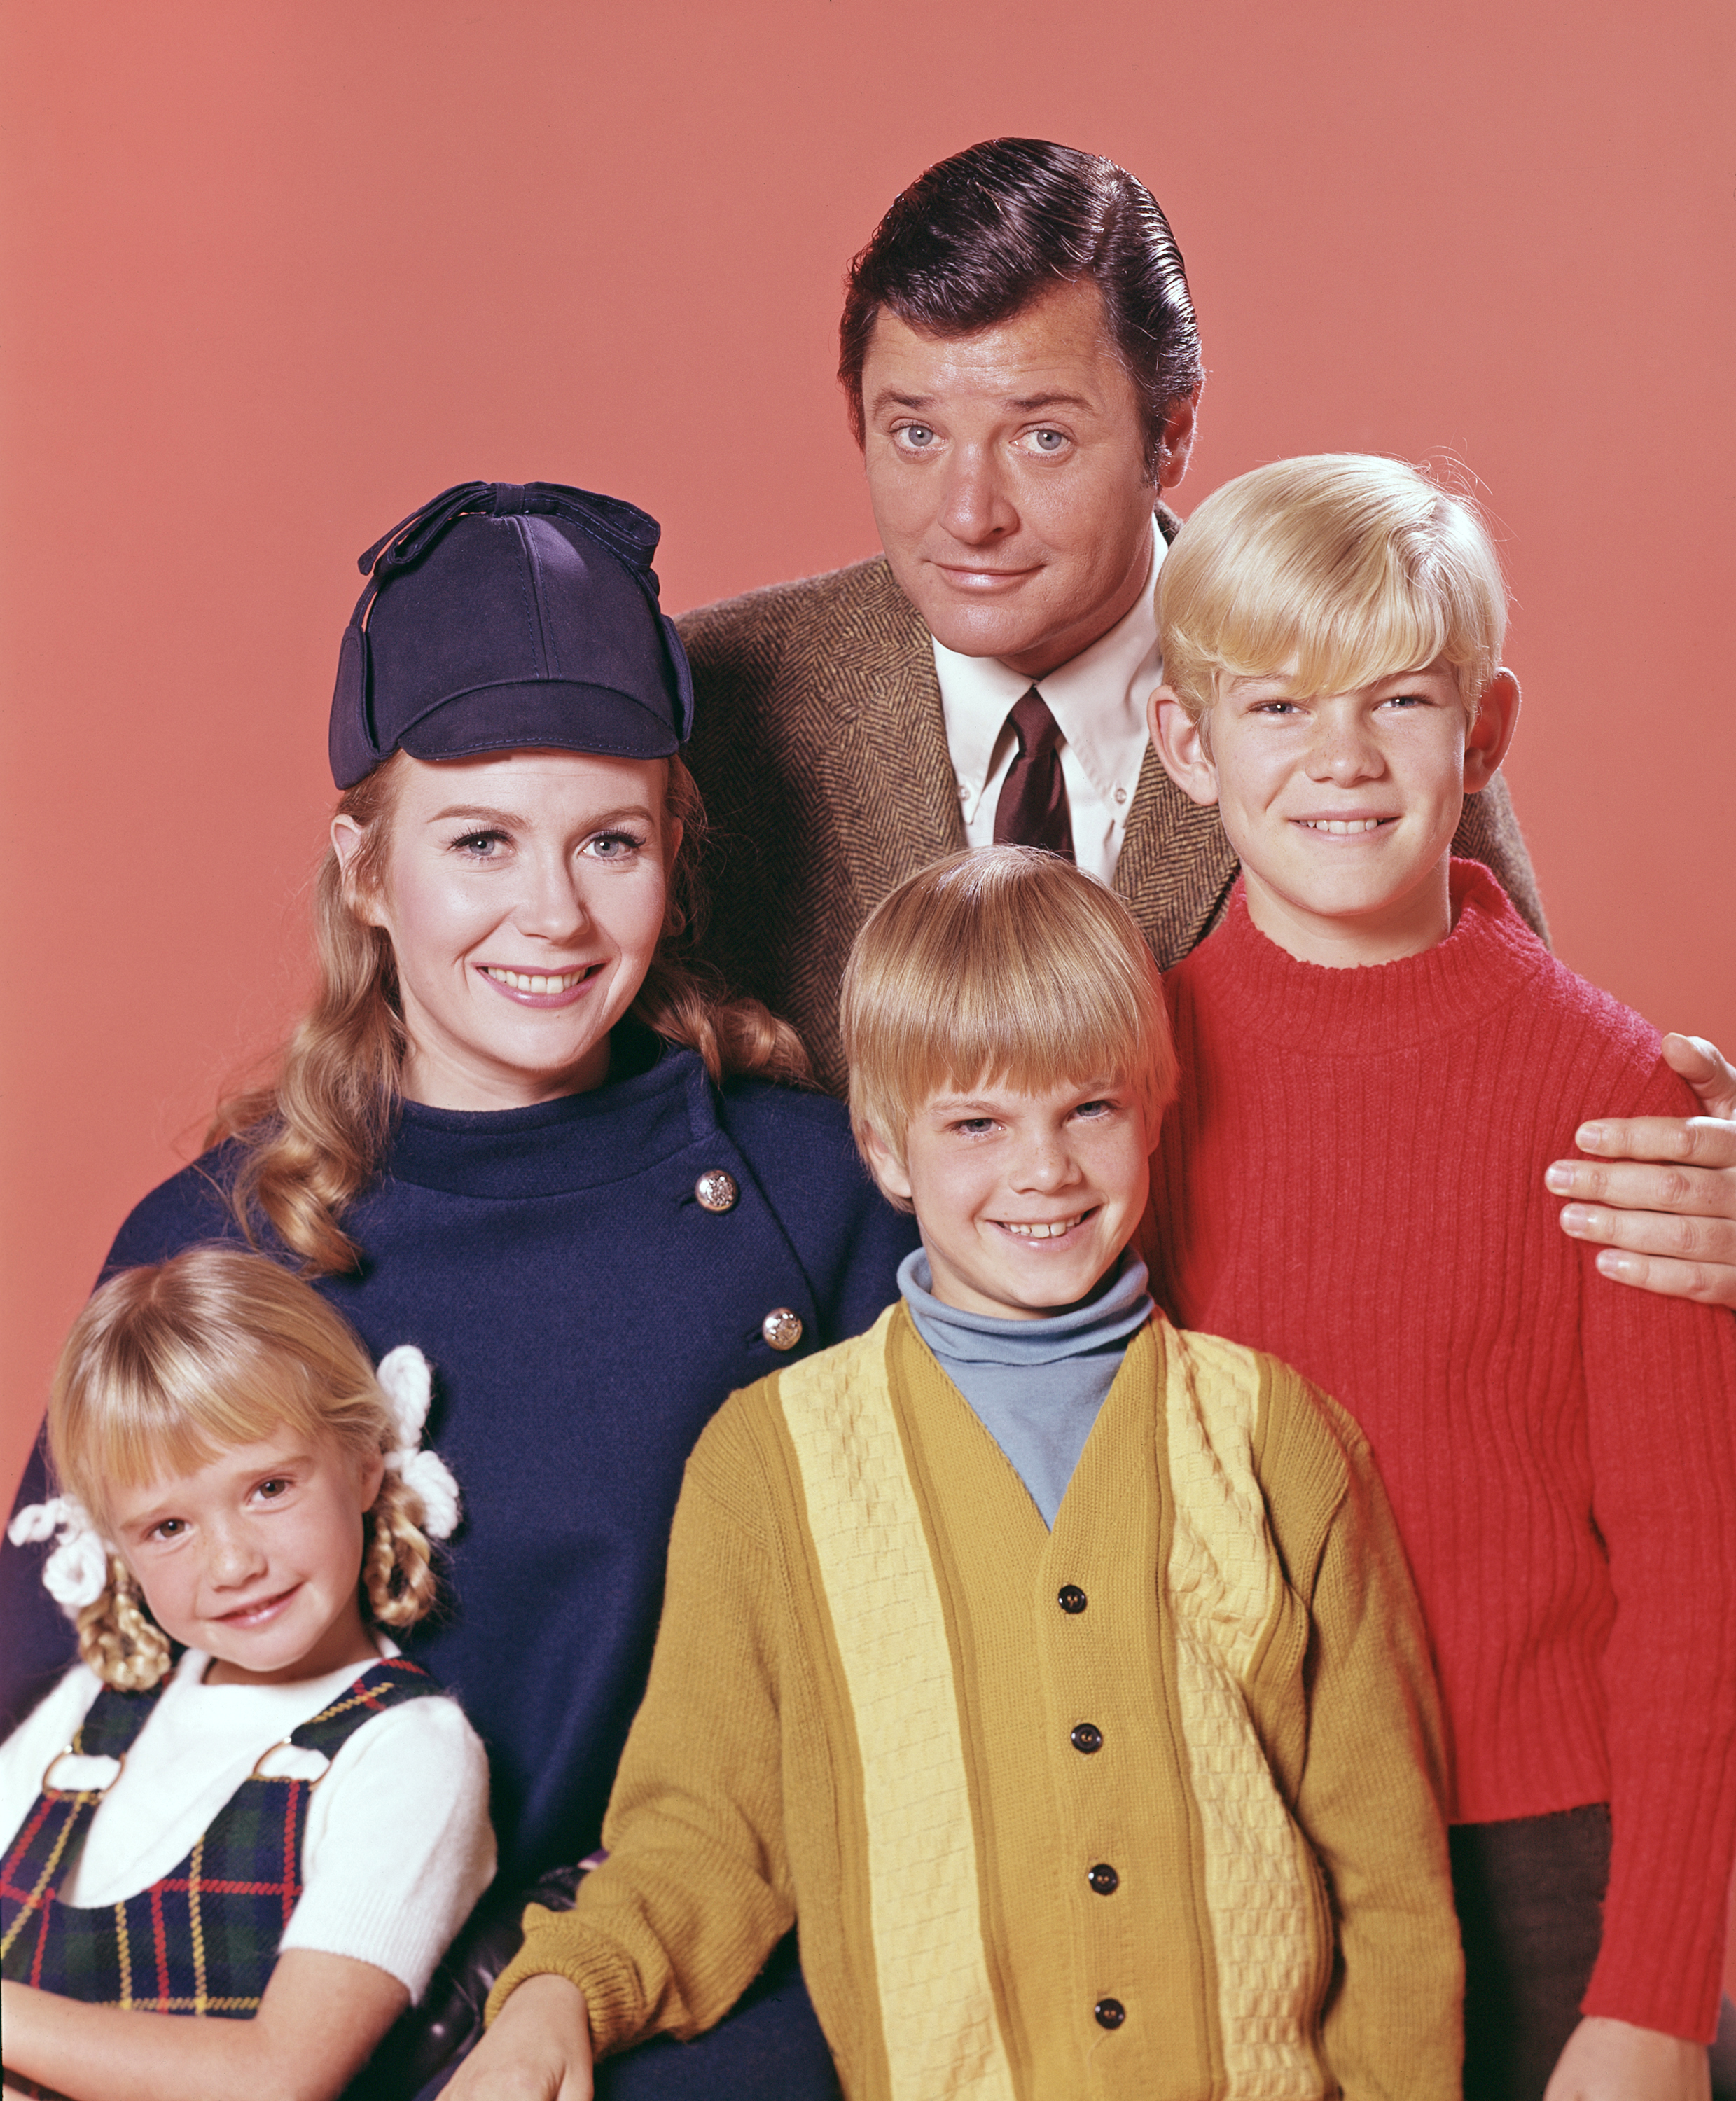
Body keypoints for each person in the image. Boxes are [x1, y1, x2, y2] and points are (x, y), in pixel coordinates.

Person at [0, 480, 917, 2097]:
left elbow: (901, 1711)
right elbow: (44, 1697)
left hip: (690, 2007)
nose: (550, 914)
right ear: (365, 870)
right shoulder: (211, 1240)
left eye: (609, 842)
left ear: (676, 854)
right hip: (259, 2029)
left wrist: (582, 1996)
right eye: (480, 841)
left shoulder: (820, 1194)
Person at [451, 848, 1464, 2101]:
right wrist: (561, 1997)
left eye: (1086, 1108)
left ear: (1154, 1107)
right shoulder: (771, 1469)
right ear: (883, 1149)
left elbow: (1385, 1878)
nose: (1041, 1170)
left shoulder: (1273, 1438)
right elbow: (706, 1835)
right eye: (975, 1124)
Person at [677, 134, 1736, 1303]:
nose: (965, 514)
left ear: (1168, 434)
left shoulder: (1359, 699)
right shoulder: (716, 698)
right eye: (913, 432)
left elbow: (1509, 1093)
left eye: (1041, 435)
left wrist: (1673, 1183)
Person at [1143, 455, 1736, 2101]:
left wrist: (1659, 1998)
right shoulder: (1128, 1085)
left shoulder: (1617, 1095)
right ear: (1189, 744)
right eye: (1277, 707)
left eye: (1397, 701)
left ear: (1481, 733)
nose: (1340, 758)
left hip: (1552, 1867)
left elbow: (1697, 1582)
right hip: (1236, 1837)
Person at [1, 1244, 494, 2101]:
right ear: (117, 1545)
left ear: (362, 1462)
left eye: (269, 1488)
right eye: (167, 1528)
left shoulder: (408, 1753)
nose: (232, 1564)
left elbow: (277, 2079)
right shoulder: (97, 1707)